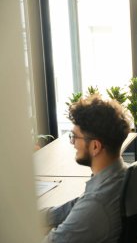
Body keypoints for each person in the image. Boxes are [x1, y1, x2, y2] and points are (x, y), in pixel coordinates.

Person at [41, 95, 131, 243]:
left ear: (95, 146)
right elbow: (74, 205)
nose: (72, 143)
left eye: (74, 137)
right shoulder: (119, 175)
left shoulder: (96, 205)